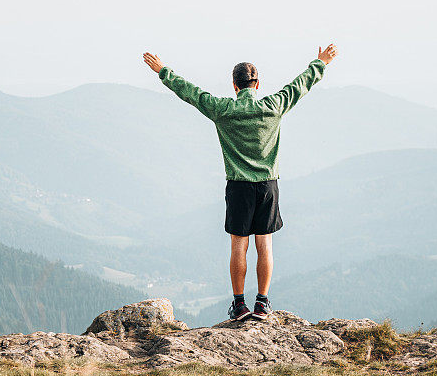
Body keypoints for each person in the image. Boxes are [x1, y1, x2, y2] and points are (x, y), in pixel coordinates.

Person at [142, 45, 338, 320]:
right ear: (257, 84)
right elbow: (300, 85)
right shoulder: (274, 106)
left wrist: (163, 71)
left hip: (238, 186)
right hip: (268, 185)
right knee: (265, 244)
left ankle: (239, 305)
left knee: (238, 245)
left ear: (234, 85)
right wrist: (321, 62)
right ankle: (262, 303)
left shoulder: (224, 110)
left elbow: (192, 94)